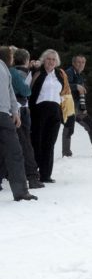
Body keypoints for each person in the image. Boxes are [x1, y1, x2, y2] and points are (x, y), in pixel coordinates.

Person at [0, 45, 36, 201]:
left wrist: (15, 112)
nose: (13, 58)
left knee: (14, 151)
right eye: (12, 55)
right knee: (14, 152)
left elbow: (10, 93)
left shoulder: (6, 70)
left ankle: (21, 192)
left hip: (4, 115)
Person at [29, 49, 70, 184]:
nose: (51, 62)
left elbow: (65, 93)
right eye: (48, 59)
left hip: (55, 111)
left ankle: (46, 174)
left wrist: (68, 114)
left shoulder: (60, 74)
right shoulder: (37, 72)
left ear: (56, 62)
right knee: (37, 142)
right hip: (39, 110)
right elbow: (28, 88)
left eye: (53, 59)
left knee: (50, 143)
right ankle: (33, 173)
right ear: (43, 60)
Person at [62, 54, 92, 158]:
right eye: (78, 62)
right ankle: (66, 154)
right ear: (73, 63)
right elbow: (63, 87)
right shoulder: (69, 73)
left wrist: (83, 108)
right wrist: (76, 86)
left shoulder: (80, 75)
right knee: (69, 127)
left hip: (77, 108)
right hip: (67, 106)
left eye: (83, 62)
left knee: (90, 122)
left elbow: (81, 94)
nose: (81, 64)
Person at [11, 48, 43, 190]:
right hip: (20, 109)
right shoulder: (20, 73)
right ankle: (32, 176)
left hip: (12, 109)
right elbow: (26, 91)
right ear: (26, 60)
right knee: (25, 143)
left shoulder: (10, 70)